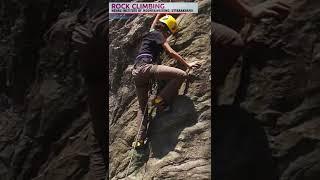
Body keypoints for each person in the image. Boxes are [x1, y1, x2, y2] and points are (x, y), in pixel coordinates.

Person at [45, 8, 108, 180]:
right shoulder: (109, 14)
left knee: (100, 143)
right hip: (103, 75)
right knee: (100, 141)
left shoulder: (81, 23)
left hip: (94, 80)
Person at [132, 14, 201, 148]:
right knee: (181, 75)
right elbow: (170, 52)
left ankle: (139, 140)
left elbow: (153, 24)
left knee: (142, 107)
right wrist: (187, 64)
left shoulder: (151, 32)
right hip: (147, 68)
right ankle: (160, 99)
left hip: (136, 73)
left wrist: (160, 13)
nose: (168, 36)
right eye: (169, 33)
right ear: (167, 30)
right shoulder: (159, 35)